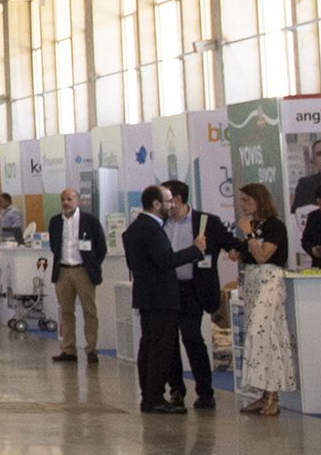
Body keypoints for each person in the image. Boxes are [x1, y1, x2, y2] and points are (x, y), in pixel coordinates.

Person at [228, 183, 295, 418]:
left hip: (270, 281)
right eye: (241, 200)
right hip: (253, 281)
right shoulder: (256, 226)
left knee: (265, 334)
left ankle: (273, 393)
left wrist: (247, 234)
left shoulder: (274, 226)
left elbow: (263, 254)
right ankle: (264, 392)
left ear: (259, 200)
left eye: (247, 200)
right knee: (256, 338)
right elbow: (249, 255)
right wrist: (238, 249)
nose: (242, 205)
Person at [124, 184, 191, 414]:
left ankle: (149, 395)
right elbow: (165, 260)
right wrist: (195, 250)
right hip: (161, 297)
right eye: (168, 200)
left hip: (147, 296)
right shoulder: (151, 229)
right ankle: (154, 397)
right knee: (160, 349)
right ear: (156, 204)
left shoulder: (135, 228)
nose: (172, 204)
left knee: (149, 346)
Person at [163, 179, 220, 409]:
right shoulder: (160, 224)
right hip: (167, 289)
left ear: (176, 199)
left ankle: (205, 392)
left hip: (192, 289)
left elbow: (224, 243)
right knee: (168, 342)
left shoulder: (205, 222)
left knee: (192, 338)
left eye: (166, 198)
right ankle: (176, 389)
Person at [46, 187, 106, 361]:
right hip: (63, 271)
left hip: (83, 271)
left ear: (77, 200)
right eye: (63, 199)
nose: (66, 203)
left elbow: (101, 247)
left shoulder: (90, 221)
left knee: (89, 311)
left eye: (70, 199)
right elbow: (54, 246)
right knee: (66, 311)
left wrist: (92, 265)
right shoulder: (55, 221)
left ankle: (91, 349)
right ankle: (68, 349)